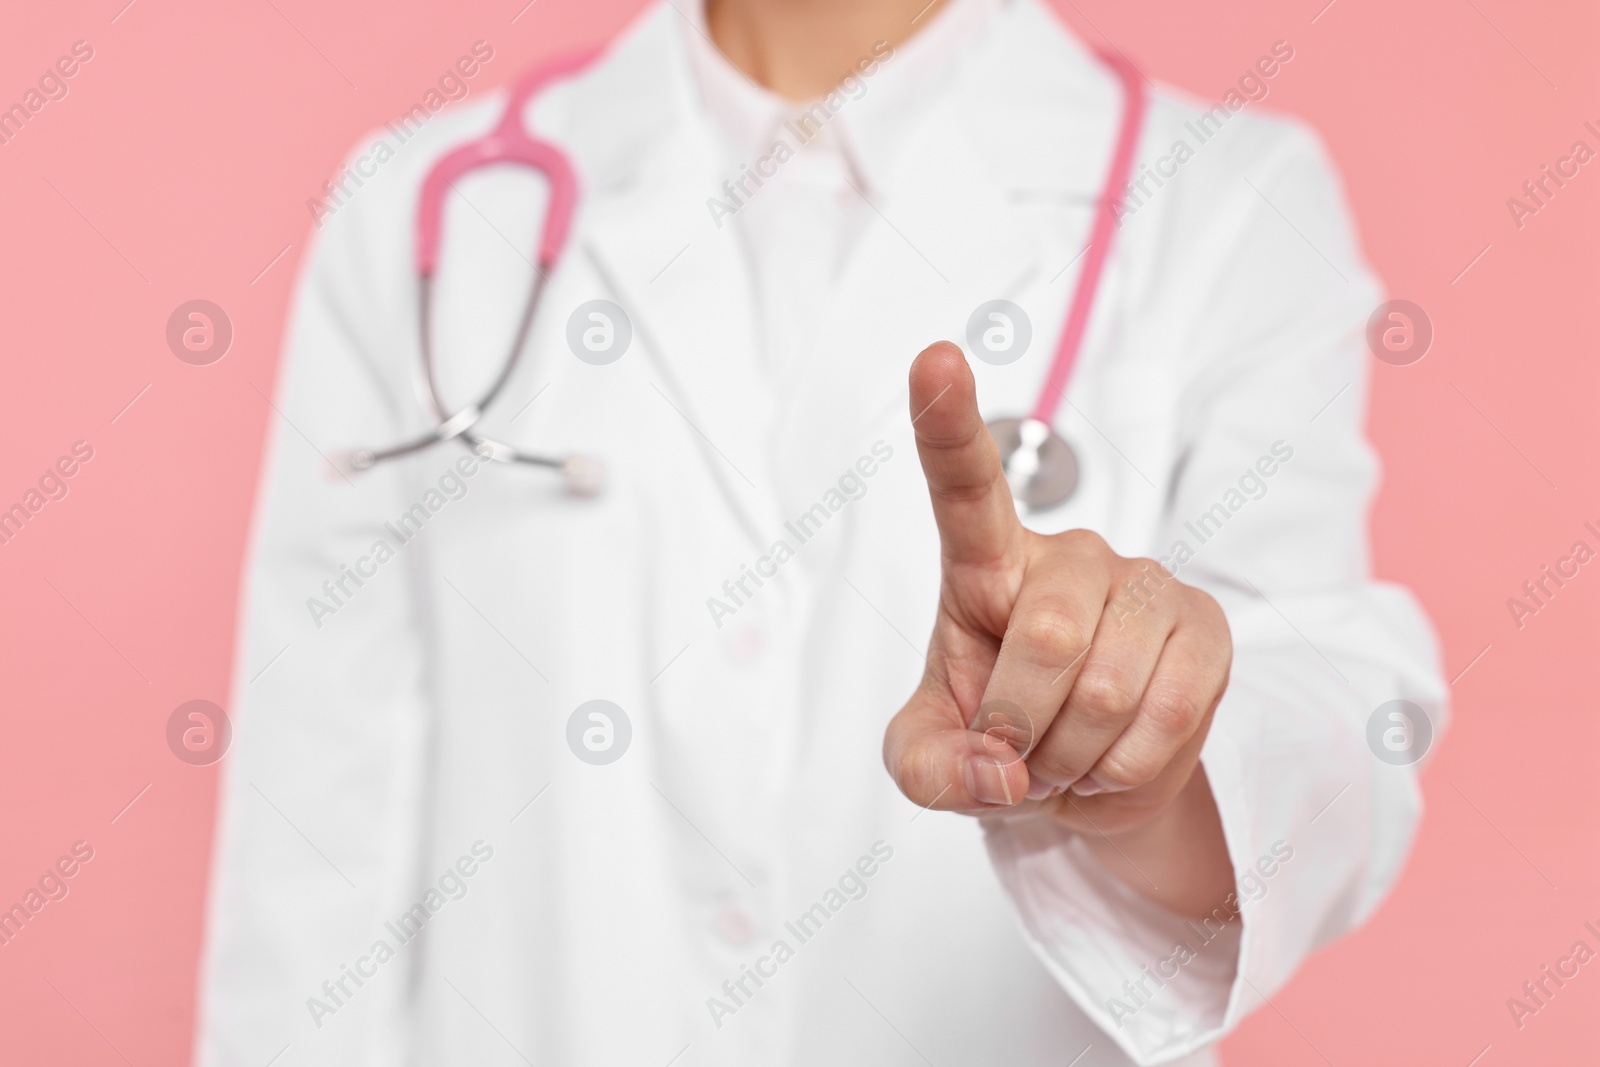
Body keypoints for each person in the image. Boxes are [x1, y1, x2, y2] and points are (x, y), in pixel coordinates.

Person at [195, 0, 1447, 1063]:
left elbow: (1326, 737)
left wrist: (1151, 757)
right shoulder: (424, 213)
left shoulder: (1227, 206)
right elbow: (315, 861)